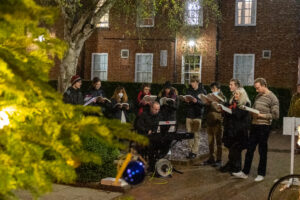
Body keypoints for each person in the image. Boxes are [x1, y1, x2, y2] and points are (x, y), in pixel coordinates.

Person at [233, 78, 279, 182]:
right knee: (250, 150)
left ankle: (261, 174)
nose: (256, 90)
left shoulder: (273, 98)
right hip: (254, 126)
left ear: (264, 85)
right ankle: (245, 172)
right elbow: (254, 108)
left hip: (264, 127)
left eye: (258, 88)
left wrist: (261, 115)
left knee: (262, 151)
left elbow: (275, 115)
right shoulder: (258, 96)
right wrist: (249, 111)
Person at [220, 88, 250, 173]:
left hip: (239, 132)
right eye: (235, 94)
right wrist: (224, 109)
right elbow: (228, 114)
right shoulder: (232, 103)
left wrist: (230, 110)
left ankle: (236, 167)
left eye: (237, 94)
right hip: (230, 130)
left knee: (236, 150)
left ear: (242, 95)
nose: (235, 96)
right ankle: (232, 165)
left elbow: (238, 115)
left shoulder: (245, 104)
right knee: (231, 150)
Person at [201, 82, 226, 167]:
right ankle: (211, 158)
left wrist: (212, 103)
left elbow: (220, 109)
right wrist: (206, 103)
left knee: (218, 142)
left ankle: (219, 160)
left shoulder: (222, 98)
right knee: (210, 142)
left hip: (217, 122)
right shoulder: (210, 95)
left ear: (218, 89)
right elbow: (206, 109)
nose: (212, 90)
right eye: (211, 89)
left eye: (214, 89)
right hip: (209, 122)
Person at [135, 102, 161, 171]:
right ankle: (142, 166)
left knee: (161, 143)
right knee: (149, 146)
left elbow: (158, 126)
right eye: (155, 109)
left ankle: (153, 166)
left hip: (153, 136)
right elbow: (138, 125)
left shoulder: (158, 115)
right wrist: (147, 130)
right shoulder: (144, 114)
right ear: (151, 108)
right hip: (143, 135)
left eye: (158, 109)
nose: (157, 111)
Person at [185, 77, 207, 159]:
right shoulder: (189, 91)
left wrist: (196, 101)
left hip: (198, 115)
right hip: (189, 115)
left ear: (197, 82)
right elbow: (186, 102)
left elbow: (204, 103)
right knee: (188, 134)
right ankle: (191, 151)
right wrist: (186, 101)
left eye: (193, 82)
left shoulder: (202, 91)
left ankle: (194, 152)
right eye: (191, 82)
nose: (191, 84)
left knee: (196, 134)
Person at [288, 83, 300, 153]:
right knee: (296, 134)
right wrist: (289, 116)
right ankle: (297, 148)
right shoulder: (294, 96)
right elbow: (291, 106)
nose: (299, 89)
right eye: (298, 87)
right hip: (294, 118)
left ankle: (298, 148)